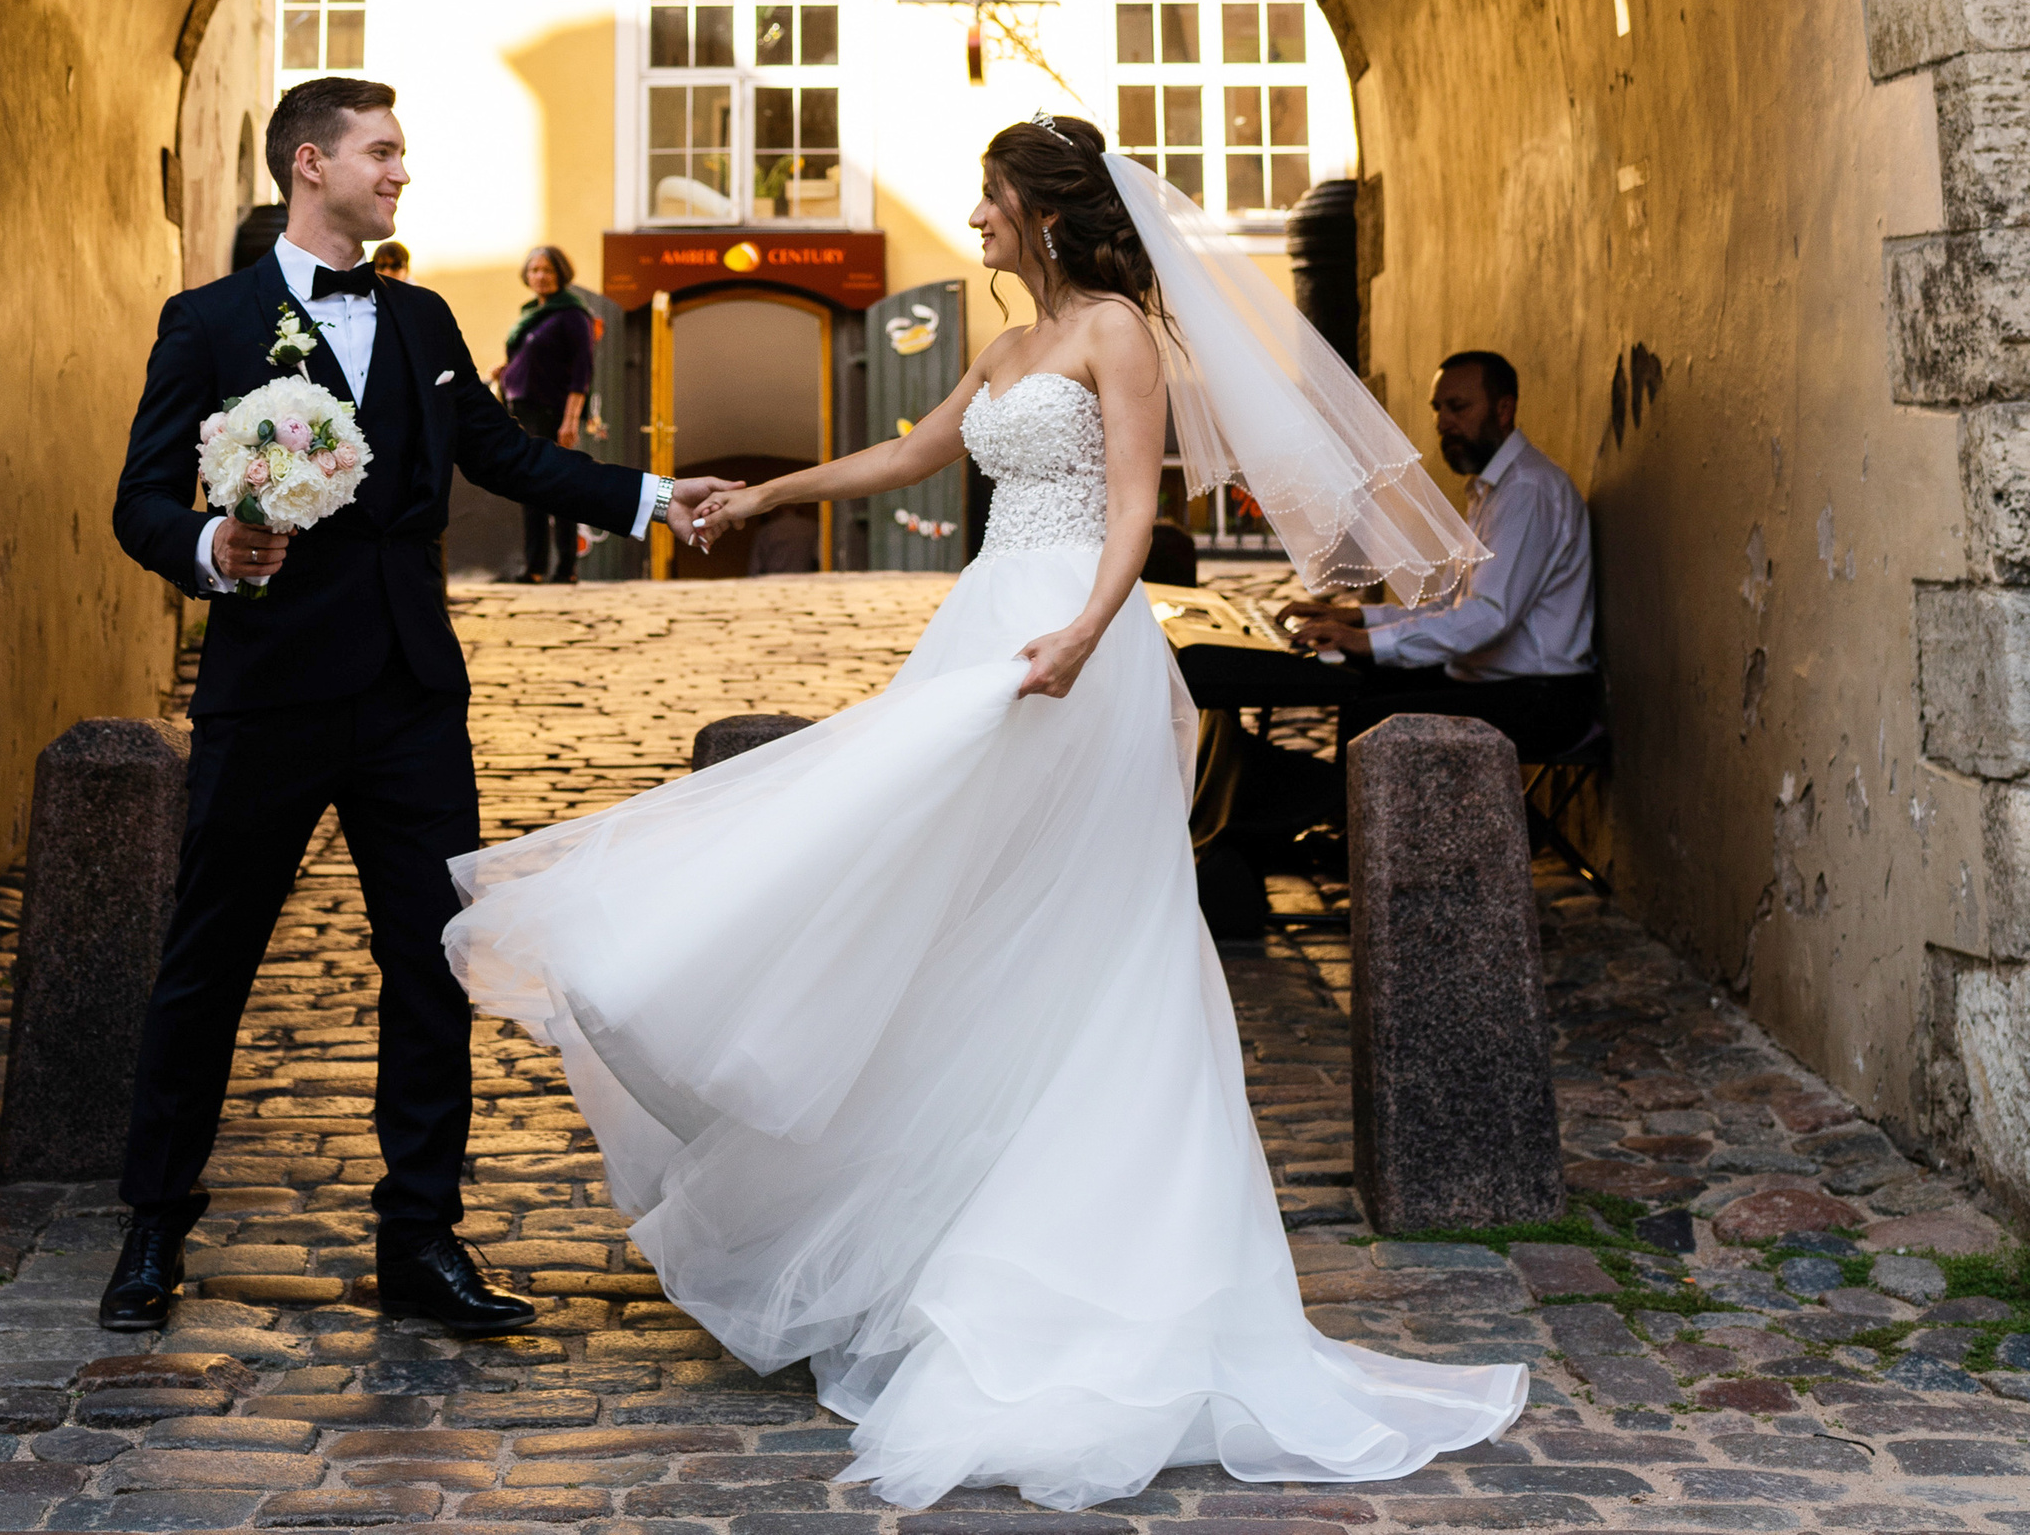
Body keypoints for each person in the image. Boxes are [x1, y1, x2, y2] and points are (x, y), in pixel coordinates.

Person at [441, 114, 1526, 1510]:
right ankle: (943, 1227)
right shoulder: (1008, 346)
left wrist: (1083, 629)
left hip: (1072, 648)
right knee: (954, 913)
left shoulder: (1118, 335)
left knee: (1090, 937)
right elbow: (908, 459)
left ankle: (1096, 1268)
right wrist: (758, 495)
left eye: (992, 197)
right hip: (984, 626)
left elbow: (1130, 510)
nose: (975, 217)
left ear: (1048, 214)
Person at [99, 76, 736, 1341]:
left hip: (408, 694)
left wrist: (653, 496)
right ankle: (154, 1222)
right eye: (381, 151)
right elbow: (141, 498)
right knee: (207, 963)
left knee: (431, 966)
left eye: (400, 153)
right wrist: (214, 544)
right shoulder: (209, 320)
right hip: (269, 691)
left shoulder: (424, 315)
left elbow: (505, 453)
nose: (400, 171)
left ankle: (421, 1237)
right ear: (309, 162)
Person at [1179, 350, 1598, 934]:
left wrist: (1367, 642)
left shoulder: (1527, 491)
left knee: (1377, 713)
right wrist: (1355, 618)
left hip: (1546, 697)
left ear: (1504, 410)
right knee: (1363, 682)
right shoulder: (1493, 490)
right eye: (1438, 409)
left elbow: (1486, 619)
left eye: (1458, 407)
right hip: (1498, 677)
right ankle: (1352, 839)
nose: (1443, 422)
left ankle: (1375, 860)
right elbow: (1452, 606)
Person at [490, 245, 593, 584]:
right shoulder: (530, 312)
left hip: (552, 412)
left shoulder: (572, 314)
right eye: (534, 270)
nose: (540, 276)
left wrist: (570, 420)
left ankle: (565, 567)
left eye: (548, 270)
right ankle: (535, 568)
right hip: (522, 409)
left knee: (558, 485)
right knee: (529, 485)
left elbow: (582, 371)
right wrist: (507, 370)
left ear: (561, 273)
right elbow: (532, 357)